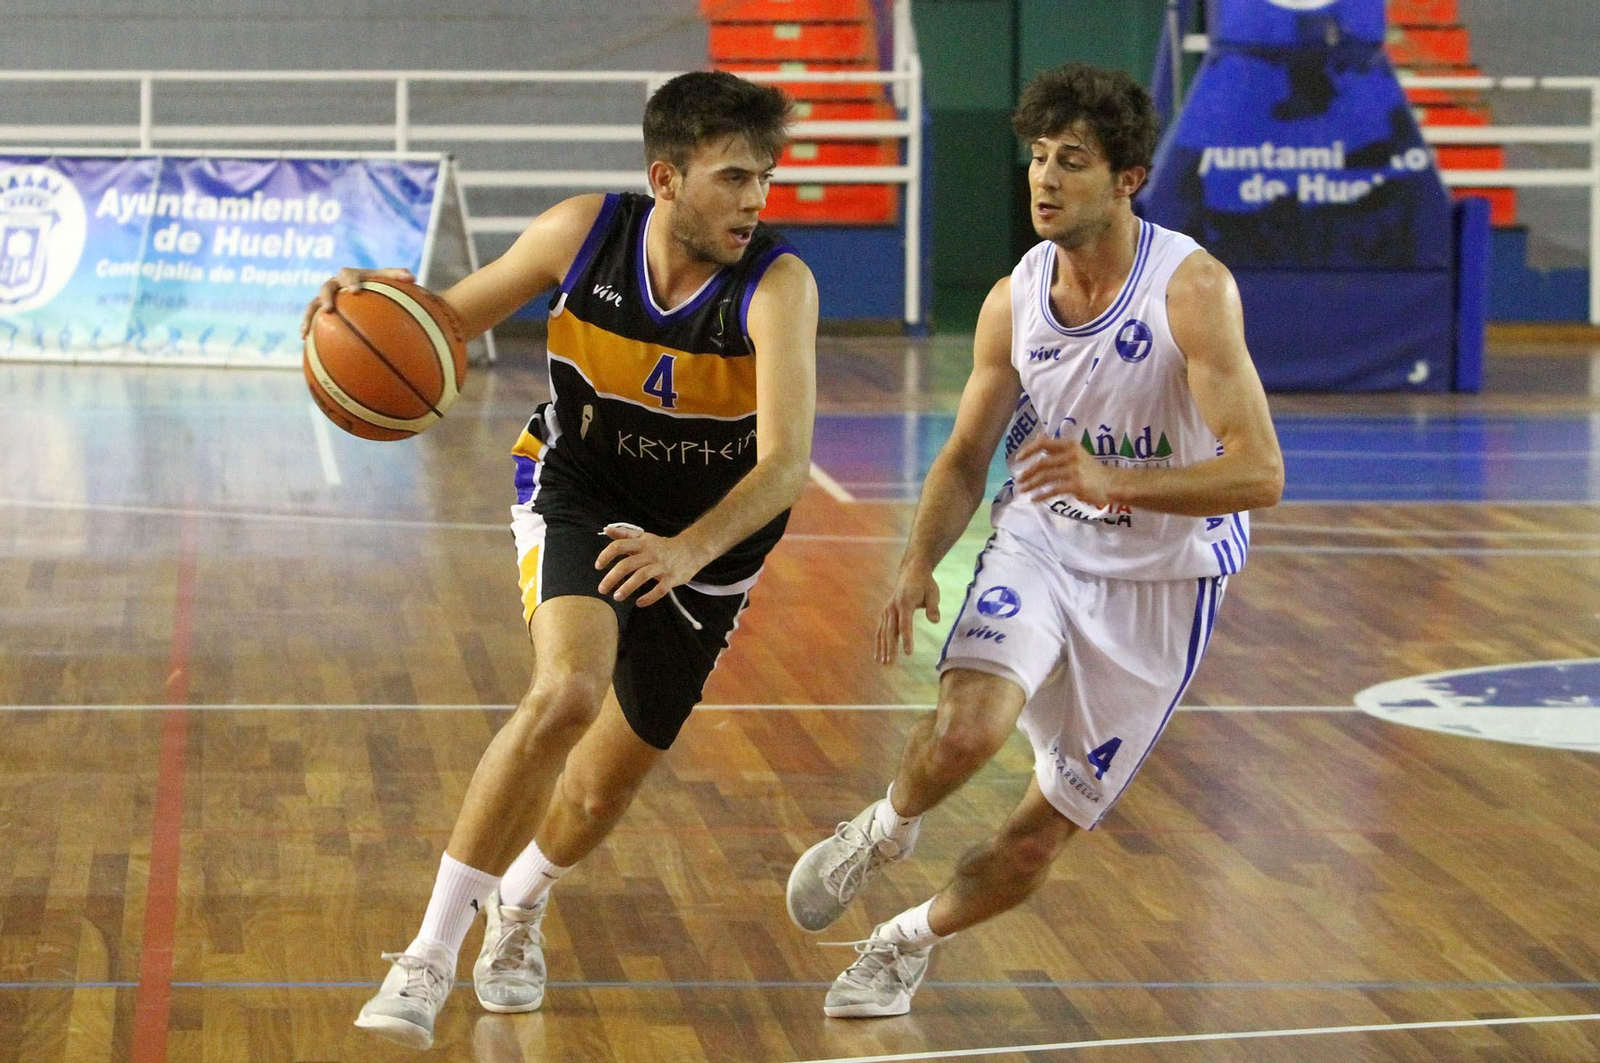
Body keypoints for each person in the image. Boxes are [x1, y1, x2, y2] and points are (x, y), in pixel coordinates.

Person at [301, 70, 818, 1049]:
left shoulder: (776, 284)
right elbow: (441, 326)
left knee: (594, 792)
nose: (756, 200)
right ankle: (426, 957)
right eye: (732, 178)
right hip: (581, 486)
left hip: (711, 539)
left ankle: (522, 904)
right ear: (665, 179)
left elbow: (785, 461)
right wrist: (362, 308)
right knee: (566, 693)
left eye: (765, 177)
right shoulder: (581, 236)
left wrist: (686, 549)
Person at [784, 62, 1283, 1018]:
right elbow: (968, 453)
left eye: (1073, 162)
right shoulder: (1015, 301)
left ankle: (904, 940)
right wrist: (917, 559)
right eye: (1037, 160)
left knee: (1031, 842)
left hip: (1162, 587)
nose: (1045, 180)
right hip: (1043, 543)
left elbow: (1260, 473)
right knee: (969, 727)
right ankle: (884, 828)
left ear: (1128, 178)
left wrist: (1115, 479)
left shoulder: (1193, 290)